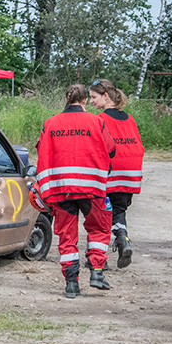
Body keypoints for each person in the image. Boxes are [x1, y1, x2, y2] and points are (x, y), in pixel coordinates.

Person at [36, 84, 116, 298]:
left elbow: (41, 149)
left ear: (66, 99)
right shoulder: (97, 122)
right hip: (91, 189)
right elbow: (112, 150)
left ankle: (71, 284)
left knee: (67, 236)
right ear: (85, 101)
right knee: (99, 229)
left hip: (61, 191)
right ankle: (97, 272)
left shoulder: (50, 124)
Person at [89, 79, 144, 269]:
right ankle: (123, 239)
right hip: (128, 175)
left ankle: (97, 260)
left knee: (99, 215)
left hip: (109, 176)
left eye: (94, 97)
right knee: (118, 211)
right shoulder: (130, 119)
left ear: (106, 96)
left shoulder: (100, 120)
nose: (91, 102)